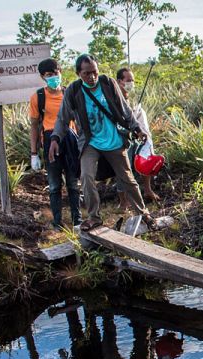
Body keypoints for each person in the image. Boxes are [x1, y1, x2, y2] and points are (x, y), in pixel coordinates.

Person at [49, 54, 157, 231]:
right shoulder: (74, 91)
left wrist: (137, 128)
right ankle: (94, 217)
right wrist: (55, 138)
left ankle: (143, 213)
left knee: (127, 179)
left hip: (113, 139)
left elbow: (125, 110)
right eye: (86, 74)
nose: (91, 77)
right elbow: (62, 119)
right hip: (90, 142)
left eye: (94, 72)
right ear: (78, 74)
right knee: (86, 177)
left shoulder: (108, 84)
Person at [28, 58, 81, 230]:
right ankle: (57, 221)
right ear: (43, 77)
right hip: (50, 142)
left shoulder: (69, 93)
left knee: (73, 182)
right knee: (54, 185)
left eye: (55, 73)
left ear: (61, 72)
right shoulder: (38, 97)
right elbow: (34, 125)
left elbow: (79, 121)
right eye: (49, 75)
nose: (53, 77)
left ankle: (77, 220)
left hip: (71, 141)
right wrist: (34, 153)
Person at [115, 67, 160, 205]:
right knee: (123, 168)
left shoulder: (132, 99)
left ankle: (147, 190)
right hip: (122, 138)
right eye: (128, 80)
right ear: (119, 81)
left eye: (132, 80)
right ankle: (123, 202)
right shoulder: (114, 99)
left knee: (146, 157)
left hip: (137, 137)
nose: (131, 83)